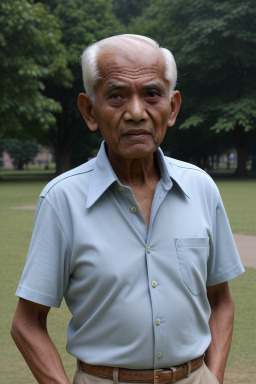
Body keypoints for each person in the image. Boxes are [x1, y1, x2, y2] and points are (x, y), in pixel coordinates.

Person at [11, 34, 244, 384]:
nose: (136, 113)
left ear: (173, 106)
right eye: (117, 95)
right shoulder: (62, 199)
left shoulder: (201, 188)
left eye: (152, 94)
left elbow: (221, 300)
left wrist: (214, 376)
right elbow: (26, 323)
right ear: (90, 111)